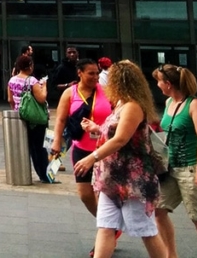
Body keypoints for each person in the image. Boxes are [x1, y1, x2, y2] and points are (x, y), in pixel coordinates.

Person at [73, 60, 166, 258]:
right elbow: (116, 134)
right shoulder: (122, 104)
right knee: (105, 226)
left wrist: (92, 157)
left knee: (146, 230)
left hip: (131, 181)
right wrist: (97, 129)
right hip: (111, 179)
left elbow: (121, 139)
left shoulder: (133, 106)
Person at [152, 64, 197, 258]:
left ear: (168, 84)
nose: (158, 85)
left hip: (191, 167)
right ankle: (171, 254)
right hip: (170, 167)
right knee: (159, 209)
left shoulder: (194, 105)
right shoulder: (170, 102)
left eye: (159, 82)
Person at [51, 58, 112, 218]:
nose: (95, 77)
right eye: (91, 73)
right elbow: (61, 119)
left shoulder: (107, 91)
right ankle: (106, 223)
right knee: (85, 194)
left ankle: (106, 230)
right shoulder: (70, 93)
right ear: (80, 73)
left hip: (104, 150)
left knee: (104, 194)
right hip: (81, 150)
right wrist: (57, 140)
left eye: (97, 73)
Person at [8, 54, 53, 184]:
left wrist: (18, 109)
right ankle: (44, 175)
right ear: (30, 66)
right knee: (40, 147)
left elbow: (10, 99)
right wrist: (44, 86)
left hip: (21, 117)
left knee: (27, 146)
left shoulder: (12, 80)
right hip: (36, 120)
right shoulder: (32, 81)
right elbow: (41, 98)